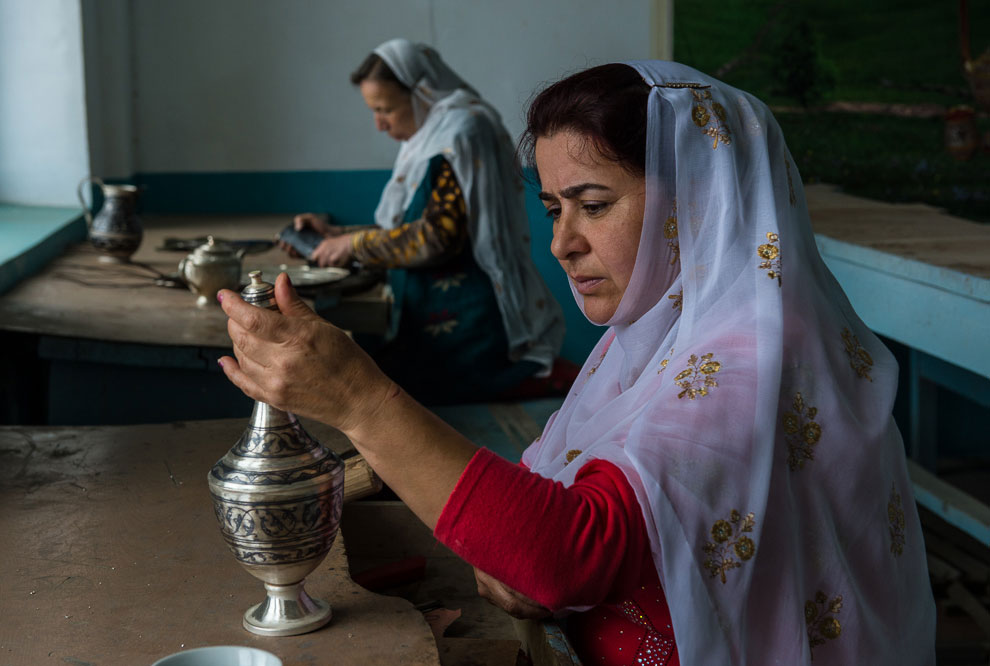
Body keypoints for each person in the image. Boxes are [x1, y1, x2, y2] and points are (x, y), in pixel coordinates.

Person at [219, 60, 936, 665]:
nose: (562, 243)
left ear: (701, 204)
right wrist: (511, 549)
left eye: (593, 205)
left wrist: (360, 400)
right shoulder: (653, 340)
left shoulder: (755, 359)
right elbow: (548, 505)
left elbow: (571, 553)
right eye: (553, 206)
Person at [282, 38, 565, 405]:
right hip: (426, 305)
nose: (380, 124)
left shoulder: (462, 130)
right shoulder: (429, 136)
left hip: (468, 317)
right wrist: (336, 234)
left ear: (423, 93)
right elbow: (414, 222)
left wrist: (352, 245)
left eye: (385, 109)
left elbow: (438, 236)